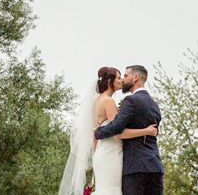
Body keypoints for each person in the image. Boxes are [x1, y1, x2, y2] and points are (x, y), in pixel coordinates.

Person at [58, 66, 158, 195]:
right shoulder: (108, 101)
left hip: (101, 153)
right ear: (110, 82)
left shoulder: (96, 102)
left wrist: (95, 158)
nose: (121, 80)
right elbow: (118, 132)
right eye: (118, 77)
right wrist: (145, 131)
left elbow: (95, 135)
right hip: (111, 153)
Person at [94, 65, 164, 195]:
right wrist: (146, 131)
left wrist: (98, 132)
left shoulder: (131, 100)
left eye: (125, 76)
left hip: (135, 168)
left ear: (135, 77)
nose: (123, 80)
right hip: (155, 167)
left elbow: (116, 128)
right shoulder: (154, 105)